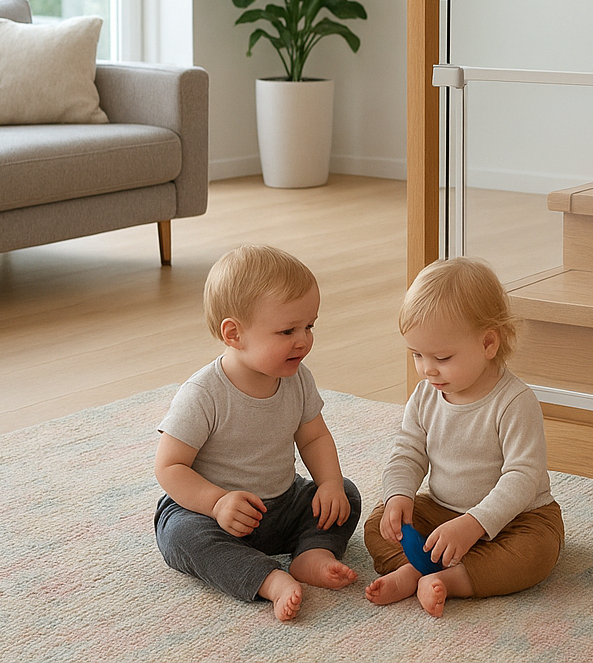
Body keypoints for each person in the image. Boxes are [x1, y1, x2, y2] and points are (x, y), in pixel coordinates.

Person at [154, 244, 362, 621]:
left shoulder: (298, 379)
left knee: (344, 494)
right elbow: (169, 467)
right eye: (287, 330)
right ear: (234, 334)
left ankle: (311, 554)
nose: (304, 340)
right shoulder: (204, 394)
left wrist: (328, 483)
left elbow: (314, 437)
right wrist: (217, 503)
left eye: (309, 326)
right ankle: (267, 579)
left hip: (281, 505)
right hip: (210, 513)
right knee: (179, 536)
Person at [364, 257, 564, 618]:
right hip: (443, 510)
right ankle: (422, 570)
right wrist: (398, 495)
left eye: (441, 356)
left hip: (519, 518)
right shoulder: (426, 394)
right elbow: (407, 452)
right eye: (417, 355)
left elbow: (522, 478)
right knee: (380, 525)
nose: (427, 368)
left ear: (488, 343)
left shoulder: (515, 402)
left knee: (536, 555)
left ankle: (443, 578)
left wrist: (474, 524)